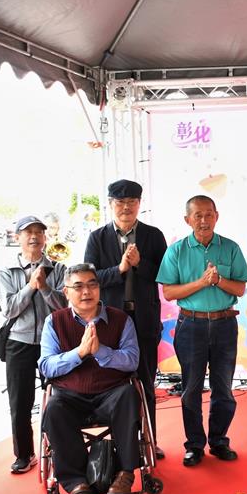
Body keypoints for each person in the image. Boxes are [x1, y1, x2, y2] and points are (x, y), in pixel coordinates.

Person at [156, 195, 247, 467]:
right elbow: (169, 292)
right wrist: (201, 282)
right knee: (191, 388)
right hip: (191, 325)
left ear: (216, 216)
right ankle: (194, 445)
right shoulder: (176, 251)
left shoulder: (230, 248)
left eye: (209, 214)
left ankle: (219, 441)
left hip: (224, 324)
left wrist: (218, 280)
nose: (204, 220)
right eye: (197, 215)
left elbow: (240, 288)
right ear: (188, 219)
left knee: (224, 387)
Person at [38, 264, 141, 494]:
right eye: (78, 286)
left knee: (129, 394)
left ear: (99, 288)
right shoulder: (54, 322)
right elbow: (47, 366)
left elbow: (132, 360)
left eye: (92, 284)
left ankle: (125, 473)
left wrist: (101, 351)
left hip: (111, 392)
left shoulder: (121, 319)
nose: (86, 291)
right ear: (66, 292)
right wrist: (80, 352)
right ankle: (76, 481)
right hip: (70, 395)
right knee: (54, 408)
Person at [85, 179, 169, 459]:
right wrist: (120, 268)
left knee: (146, 384)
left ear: (139, 204)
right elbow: (91, 279)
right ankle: (120, 445)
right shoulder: (97, 238)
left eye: (132, 202)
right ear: (111, 204)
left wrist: (139, 264)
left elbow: (165, 275)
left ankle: (150, 442)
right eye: (120, 202)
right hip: (111, 323)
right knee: (114, 386)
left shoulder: (153, 235)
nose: (126, 207)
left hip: (144, 320)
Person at [0, 216, 67, 474]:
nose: (34, 236)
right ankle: (24, 455)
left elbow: (64, 306)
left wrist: (45, 287)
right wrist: (30, 286)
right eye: (28, 232)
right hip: (19, 341)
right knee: (19, 402)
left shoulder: (59, 269)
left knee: (60, 398)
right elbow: (9, 309)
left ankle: (61, 449)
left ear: (45, 237)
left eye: (39, 232)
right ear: (17, 238)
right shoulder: (7, 271)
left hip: (53, 342)